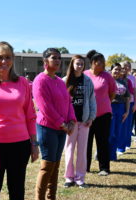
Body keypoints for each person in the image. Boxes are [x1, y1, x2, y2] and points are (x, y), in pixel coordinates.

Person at [0, 41, 38, 200]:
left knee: (17, 190)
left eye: (8, 57)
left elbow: (30, 115)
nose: (4, 61)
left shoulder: (23, 83)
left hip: (20, 145)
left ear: (13, 59)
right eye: (0, 57)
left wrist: (34, 144)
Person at [33, 48, 76, 200]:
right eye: (54, 58)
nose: (57, 60)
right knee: (47, 165)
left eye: (59, 58)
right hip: (47, 128)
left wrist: (71, 121)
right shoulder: (40, 80)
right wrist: (62, 124)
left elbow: (68, 102)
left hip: (62, 129)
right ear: (45, 61)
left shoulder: (59, 81)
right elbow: (45, 107)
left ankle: (52, 197)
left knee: (56, 165)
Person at [62, 55, 96, 188]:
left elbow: (92, 100)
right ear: (72, 64)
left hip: (84, 120)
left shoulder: (87, 80)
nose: (80, 66)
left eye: (82, 64)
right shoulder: (65, 80)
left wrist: (91, 117)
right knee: (69, 149)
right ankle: (69, 177)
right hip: (70, 121)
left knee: (82, 151)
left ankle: (80, 178)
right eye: (77, 64)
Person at [84, 50, 116, 176]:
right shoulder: (85, 75)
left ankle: (104, 168)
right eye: (100, 62)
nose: (103, 64)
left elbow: (112, 93)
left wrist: (103, 103)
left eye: (103, 62)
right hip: (86, 115)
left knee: (102, 142)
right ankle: (84, 167)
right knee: (86, 142)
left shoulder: (107, 76)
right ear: (92, 63)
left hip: (104, 115)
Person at [109, 63, 130, 160]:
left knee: (117, 133)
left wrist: (127, 111)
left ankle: (113, 155)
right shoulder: (107, 81)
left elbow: (127, 98)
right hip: (110, 108)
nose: (117, 71)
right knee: (109, 133)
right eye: (115, 69)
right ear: (111, 70)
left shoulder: (123, 82)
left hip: (121, 108)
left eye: (119, 69)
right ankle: (104, 153)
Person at [121, 61, 136, 150]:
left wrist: (135, 103)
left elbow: (135, 91)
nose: (126, 68)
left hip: (130, 103)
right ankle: (119, 144)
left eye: (128, 66)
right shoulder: (118, 77)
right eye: (124, 66)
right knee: (121, 124)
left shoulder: (132, 78)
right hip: (120, 103)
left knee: (128, 125)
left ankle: (126, 143)